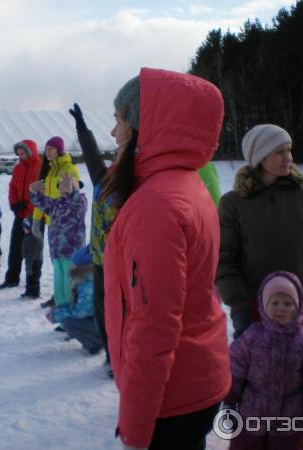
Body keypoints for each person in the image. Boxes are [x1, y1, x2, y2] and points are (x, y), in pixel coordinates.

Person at [102, 68, 231, 449]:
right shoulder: (184, 183)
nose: (113, 134)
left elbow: (154, 327)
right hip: (194, 380)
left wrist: (136, 430)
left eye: (119, 121)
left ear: (147, 126)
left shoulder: (157, 204)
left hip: (172, 398)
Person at [68, 103, 223, 370]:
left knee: (126, 318)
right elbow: (93, 159)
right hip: (100, 259)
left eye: (119, 124)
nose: (115, 138)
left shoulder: (135, 181)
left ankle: (125, 362)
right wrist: (82, 129)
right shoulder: (106, 180)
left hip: (123, 265)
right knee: (105, 315)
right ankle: (112, 358)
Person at [216, 124, 303, 340]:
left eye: (288, 150)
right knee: (261, 372)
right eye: (280, 152)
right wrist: (239, 306)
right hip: (258, 304)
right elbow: (223, 259)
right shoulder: (233, 204)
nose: (288, 158)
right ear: (260, 158)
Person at [224, 271, 303, 450]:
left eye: (288, 303)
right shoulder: (251, 337)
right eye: (275, 303)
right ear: (264, 306)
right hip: (251, 416)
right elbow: (236, 370)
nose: (281, 308)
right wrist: (229, 402)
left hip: (288, 421)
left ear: (297, 307)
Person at [32, 136, 81, 307]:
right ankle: (61, 306)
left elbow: (75, 191)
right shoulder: (49, 170)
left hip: (68, 228)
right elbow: (44, 199)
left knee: (68, 272)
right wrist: (36, 219)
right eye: (46, 150)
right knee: (58, 270)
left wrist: (72, 186)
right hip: (53, 224)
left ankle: (71, 309)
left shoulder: (69, 168)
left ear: (59, 150)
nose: (48, 152)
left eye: (52, 149)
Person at [30, 171, 87, 307]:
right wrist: (32, 190)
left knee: (70, 287)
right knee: (59, 287)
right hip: (57, 253)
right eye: (60, 186)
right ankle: (63, 320)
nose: (63, 188)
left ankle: (72, 320)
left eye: (67, 185)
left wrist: (72, 191)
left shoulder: (79, 202)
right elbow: (41, 202)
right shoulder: (56, 204)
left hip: (72, 254)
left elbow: (78, 202)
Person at [0, 140, 41, 290]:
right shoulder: (18, 168)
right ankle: (12, 278)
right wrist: (14, 204)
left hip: (35, 216)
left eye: (22, 154)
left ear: (30, 152)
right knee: (15, 248)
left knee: (33, 252)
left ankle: (32, 284)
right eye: (18, 154)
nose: (20, 157)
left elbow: (41, 192)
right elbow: (12, 188)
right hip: (20, 214)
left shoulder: (40, 167)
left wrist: (30, 206)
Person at [45, 245, 102, 354]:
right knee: (68, 318)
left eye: (74, 263)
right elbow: (78, 303)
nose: (71, 266)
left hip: (100, 324)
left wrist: (57, 315)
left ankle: (96, 343)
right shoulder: (86, 278)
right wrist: (60, 307)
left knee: (68, 322)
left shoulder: (88, 284)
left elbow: (82, 312)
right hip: (96, 320)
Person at [20, 217, 43, 299]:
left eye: (25, 228)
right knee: (30, 276)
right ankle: (29, 291)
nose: (23, 229)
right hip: (32, 260)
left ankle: (34, 292)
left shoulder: (32, 238)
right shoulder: (30, 236)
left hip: (34, 261)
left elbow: (32, 252)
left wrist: (29, 264)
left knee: (34, 276)